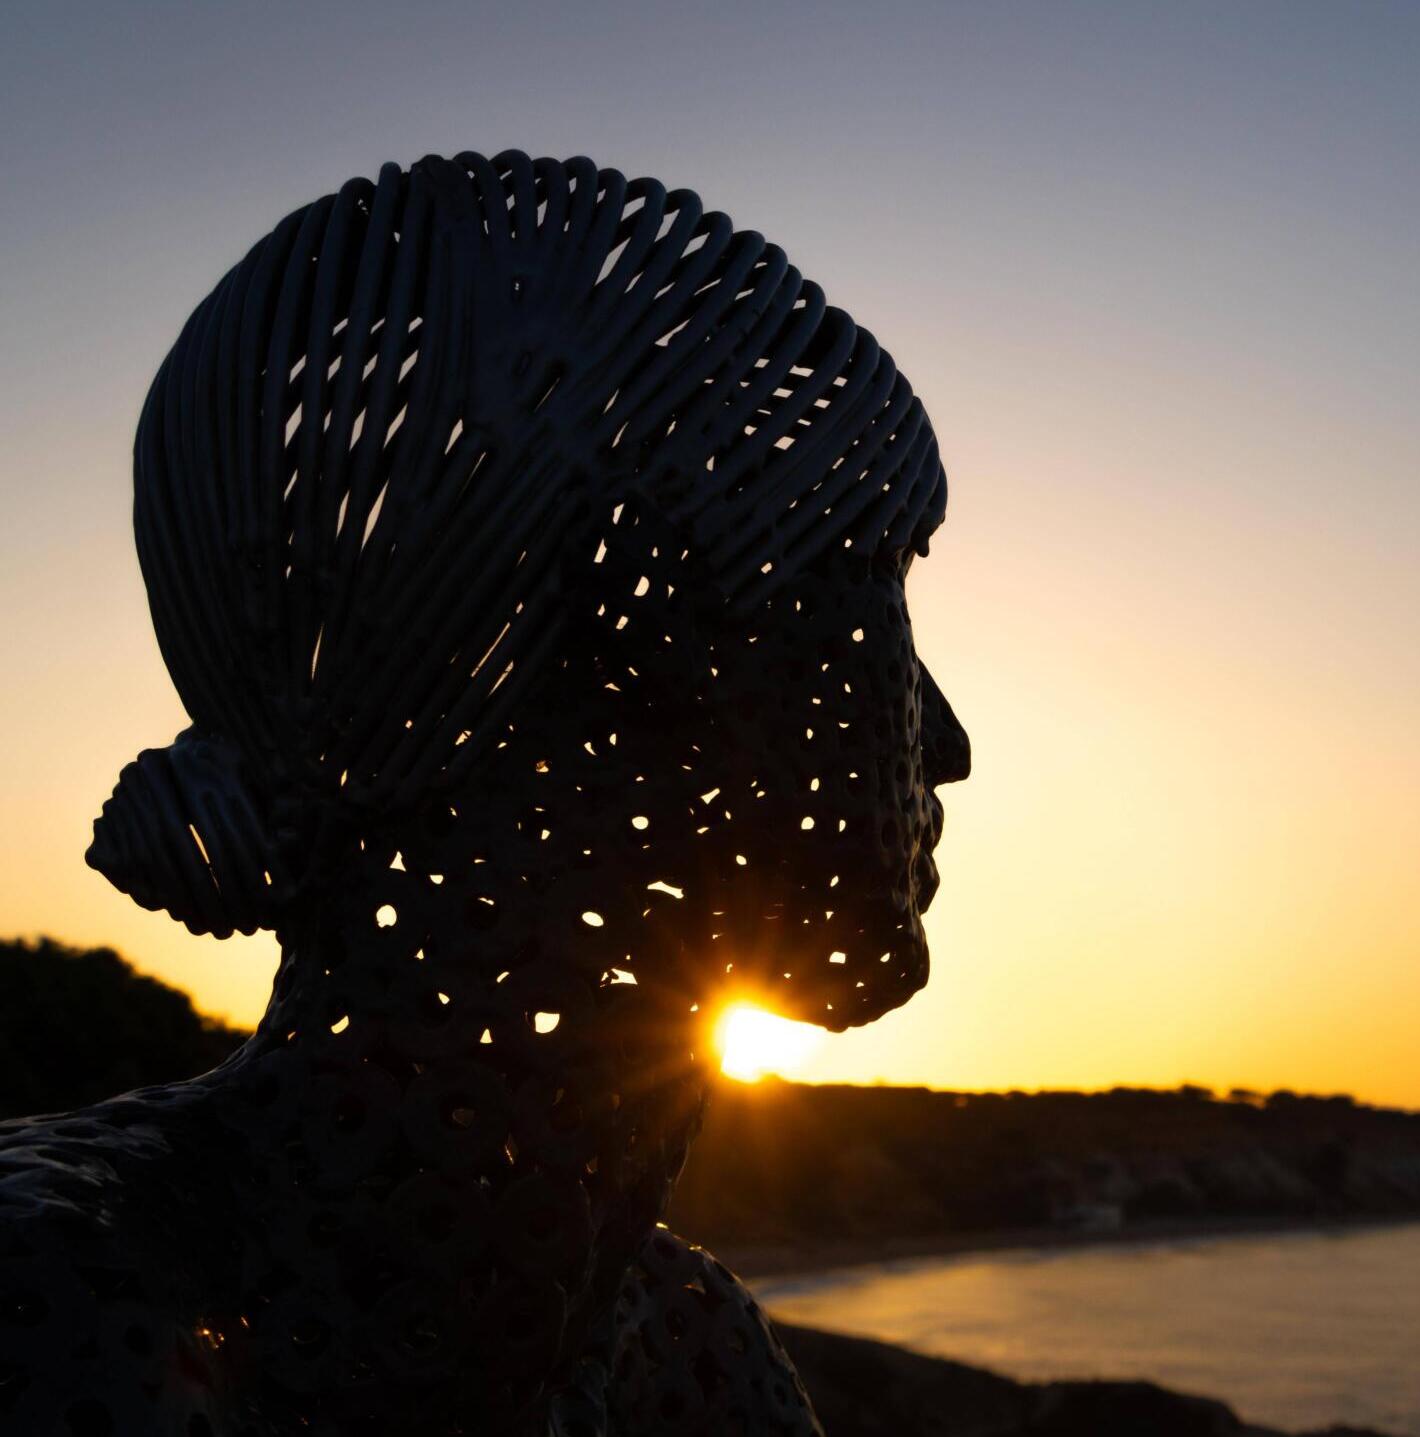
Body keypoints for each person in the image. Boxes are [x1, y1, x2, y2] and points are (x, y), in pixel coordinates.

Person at [0, 152, 969, 1435]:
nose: (947, 741)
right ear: (637, 681)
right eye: (866, 595)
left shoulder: (691, 1347)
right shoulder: (54, 1309)